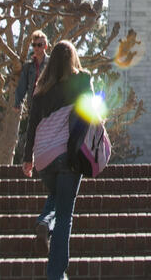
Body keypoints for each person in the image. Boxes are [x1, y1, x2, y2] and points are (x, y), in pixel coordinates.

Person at [22, 40, 94, 280]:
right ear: (73, 59)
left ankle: (43, 221)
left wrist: (27, 158)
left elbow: (32, 125)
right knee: (64, 216)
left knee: (56, 196)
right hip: (69, 154)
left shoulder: (42, 88)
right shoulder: (82, 79)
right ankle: (56, 274)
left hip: (44, 157)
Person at [13, 30, 49, 162]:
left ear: (45, 46)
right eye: (34, 45)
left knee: (47, 132)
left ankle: (45, 159)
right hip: (33, 103)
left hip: (49, 103)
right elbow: (22, 85)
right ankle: (29, 160)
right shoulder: (28, 66)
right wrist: (18, 103)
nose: (36, 48)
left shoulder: (51, 63)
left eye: (39, 45)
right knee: (32, 132)